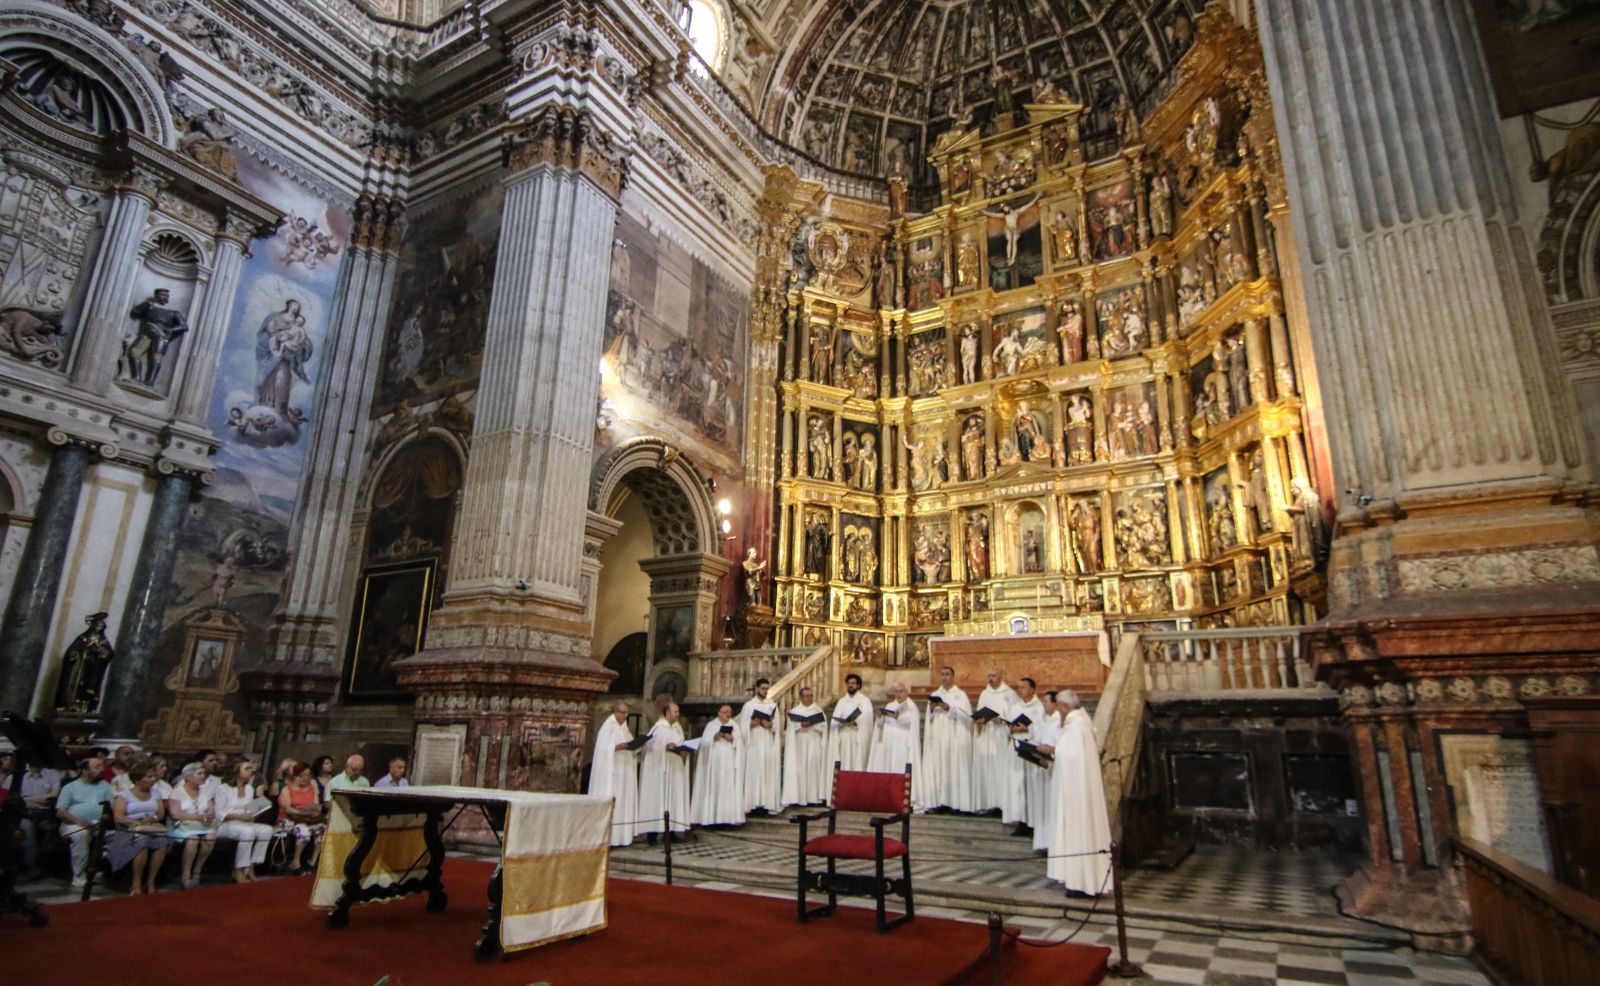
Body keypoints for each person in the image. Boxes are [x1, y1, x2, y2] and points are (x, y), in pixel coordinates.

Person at [1044, 690, 1112, 896]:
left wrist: (1052, 750)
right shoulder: (1082, 722)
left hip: (1076, 793)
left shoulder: (1075, 726)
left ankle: (1082, 882)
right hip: (1078, 789)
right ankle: (1082, 880)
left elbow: (1070, 756)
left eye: (1059, 707)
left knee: (1079, 830)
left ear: (1064, 707)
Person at [107, 759, 172, 895]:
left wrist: (152, 818)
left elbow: (160, 813)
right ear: (137, 779)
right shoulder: (123, 796)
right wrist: (135, 823)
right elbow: (119, 818)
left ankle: (150, 881)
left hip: (150, 827)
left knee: (162, 844)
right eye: (149, 777)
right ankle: (136, 883)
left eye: (154, 776)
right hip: (128, 830)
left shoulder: (156, 794)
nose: (153, 779)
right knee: (141, 843)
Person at [923, 666, 974, 813]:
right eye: (942, 674)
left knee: (954, 768)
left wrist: (949, 708)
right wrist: (932, 709)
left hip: (955, 738)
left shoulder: (960, 695)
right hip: (939, 738)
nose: (944, 677)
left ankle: (957, 804)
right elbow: (929, 718)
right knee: (941, 769)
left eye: (947, 674)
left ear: (953, 677)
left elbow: (968, 718)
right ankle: (941, 802)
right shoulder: (935, 694)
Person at [56, 756, 112, 888]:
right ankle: (79, 876)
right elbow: (61, 812)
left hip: (99, 824)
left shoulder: (105, 786)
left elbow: (112, 806)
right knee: (81, 835)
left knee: (117, 836)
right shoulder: (70, 787)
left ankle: (101, 869)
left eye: (101, 766)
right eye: (97, 767)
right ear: (85, 770)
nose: (101, 770)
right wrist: (80, 822)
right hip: (73, 824)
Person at [589, 702, 640, 848]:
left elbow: (630, 743)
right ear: (615, 712)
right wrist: (616, 747)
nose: (626, 716)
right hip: (613, 774)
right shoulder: (608, 726)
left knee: (623, 802)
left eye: (627, 713)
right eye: (623, 712)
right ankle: (610, 838)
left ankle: (622, 837)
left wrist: (636, 746)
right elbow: (602, 749)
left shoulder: (624, 728)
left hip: (624, 772)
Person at [638, 703, 691, 842]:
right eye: (675, 711)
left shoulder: (677, 728)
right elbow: (649, 746)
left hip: (674, 768)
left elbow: (681, 743)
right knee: (659, 798)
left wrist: (683, 749)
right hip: (660, 770)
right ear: (667, 712)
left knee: (672, 798)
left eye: (678, 711)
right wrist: (664, 746)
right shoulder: (658, 728)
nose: (678, 714)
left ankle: (671, 831)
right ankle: (653, 833)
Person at [214, 760, 273, 883]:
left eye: (251, 768)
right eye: (247, 768)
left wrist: (255, 812)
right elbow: (219, 813)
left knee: (266, 830)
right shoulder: (223, 788)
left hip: (245, 822)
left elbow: (249, 809)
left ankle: (251, 866)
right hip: (226, 824)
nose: (251, 771)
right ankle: (238, 869)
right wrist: (240, 817)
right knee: (248, 832)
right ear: (236, 771)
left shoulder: (249, 788)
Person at [971, 670, 1019, 816]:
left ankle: (1002, 804)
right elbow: (979, 714)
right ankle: (988, 803)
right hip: (987, 735)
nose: (991, 679)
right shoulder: (984, 694)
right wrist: (979, 721)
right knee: (987, 768)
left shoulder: (1009, 694)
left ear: (1001, 676)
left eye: (993, 676)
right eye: (989, 676)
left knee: (1000, 769)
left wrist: (1002, 720)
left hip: (1001, 736)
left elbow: (1016, 716)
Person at [167, 762, 218, 889]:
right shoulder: (177, 792)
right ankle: (186, 874)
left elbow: (211, 810)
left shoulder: (205, 792)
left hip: (202, 825)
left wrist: (209, 815)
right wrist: (197, 817)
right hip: (183, 826)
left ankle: (197, 870)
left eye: (203, 774)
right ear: (189, 776)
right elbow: (175, 814)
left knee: (211, 837)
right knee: (193, 839)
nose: (202, 776)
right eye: (199, 774)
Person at [868, 683, 920, 808]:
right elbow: (881, 724)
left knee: (899, 769)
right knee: (889, 768)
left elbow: (908, 722)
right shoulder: (890, 705)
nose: (898, 694)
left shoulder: (911, 706)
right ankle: (888, 798)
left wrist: (897, 717)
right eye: (896, 691)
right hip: (889, 744)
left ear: (906, 692)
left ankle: (901, 799)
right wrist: (880, 716)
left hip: (903, 744)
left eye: (901, 691)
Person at [690, 705, 743, 827]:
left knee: (728, 790)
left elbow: (740, 744)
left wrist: (732, 739)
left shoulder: (735, 726)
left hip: (729, 764)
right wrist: (714, 738)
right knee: (715, 789)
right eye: (725, 712)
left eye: (730, 712)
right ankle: (712, 819)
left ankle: (728, 820)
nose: (728, 714)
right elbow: (703, 744)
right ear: (719, 713)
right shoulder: (711, 726)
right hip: (715, 765)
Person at [738, 678, 781, 816]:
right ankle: (752, 804)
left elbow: (777, 727)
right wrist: (751, 725)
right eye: (763, 688)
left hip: (767, 742)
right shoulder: (748, 706)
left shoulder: (772, 705)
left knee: (766, 772)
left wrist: (770, 726)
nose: (765, 691)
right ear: (756, 688)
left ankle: (765, 804)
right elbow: (741, 729)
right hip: (753, 744)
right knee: (754, 772)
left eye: (767, 689)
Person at [1009, 678, 1046, 837]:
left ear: (1032, 689)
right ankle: (1022, 822)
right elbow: (1007, 726)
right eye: (1019, 687)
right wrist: (1011, 729)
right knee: (1019, 786)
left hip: (1032, 750)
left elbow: (1044, 728)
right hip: (1017, 750)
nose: (1020, 690)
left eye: (1023, 687)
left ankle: (1035, 823)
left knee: (1033, 787)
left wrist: (1028, 729)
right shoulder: (1015, 707)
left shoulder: (1040, 708)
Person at [781, 686, 828, 807]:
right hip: (799, 743)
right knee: (800, 770)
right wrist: (800, 725)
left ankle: (813, 798)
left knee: (813, 769)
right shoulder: (795, 712)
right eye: (806, 696)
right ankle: (799, 799)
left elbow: (823, 728)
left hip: (814, 741)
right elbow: (791, 729)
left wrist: (812, 724)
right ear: (801, 697)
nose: (809, 698)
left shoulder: (818, 711)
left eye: (811, 695)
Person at [275, 762, 325, 873]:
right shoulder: (287, 789)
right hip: (289, 819)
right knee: (304, 831)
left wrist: (316, 811)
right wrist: (304, 813)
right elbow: (287, 808)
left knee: (322, 829)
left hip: (309, 818)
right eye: (302, 775)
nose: (305, 778)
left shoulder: (312, 788)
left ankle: (312, 862)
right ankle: (295, 861)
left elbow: (317, 804)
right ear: (295, 776)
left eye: (308, 775)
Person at [17, 762, 60, 876]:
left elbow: (53, 797)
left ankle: (47, 866)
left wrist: (27, 799)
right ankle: (31, 865)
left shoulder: (52, 774)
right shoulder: (18, 775)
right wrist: (41, 798)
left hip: (45, 813)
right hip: (23, 813)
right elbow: (16, 801)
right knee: (27, 829)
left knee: (51, 829)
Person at [825, 673, 874, 772]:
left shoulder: (865, 701)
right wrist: (841, 722)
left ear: (858, 685)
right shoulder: (842, 702)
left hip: (858, 739)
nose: (850, 685)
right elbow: (834, 720)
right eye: (848, 683)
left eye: (853, 683)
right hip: (844, 738)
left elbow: (868, 720)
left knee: (857, 766)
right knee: (844, 764)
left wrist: (856, 722)